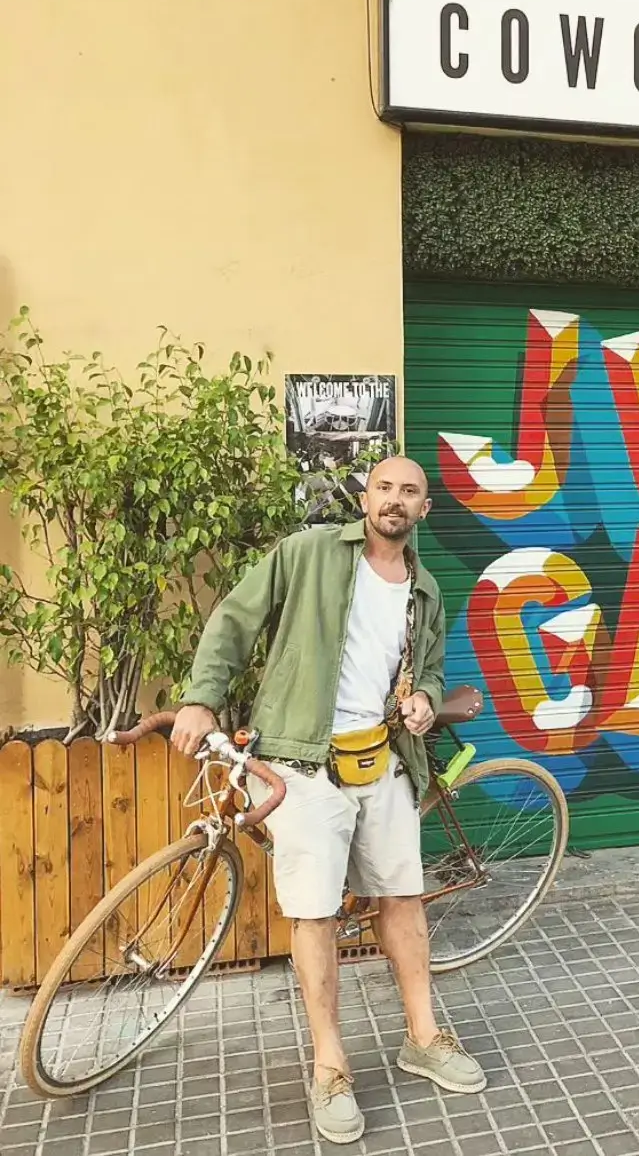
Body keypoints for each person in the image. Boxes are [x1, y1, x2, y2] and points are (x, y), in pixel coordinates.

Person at [171, 456, 484, 1146]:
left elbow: (429, 668)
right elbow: (235, 619)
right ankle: (331, 1068)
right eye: (384, 487)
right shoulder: (308, 553)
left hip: (382, 759)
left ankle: (423, 1037)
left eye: (409, 491)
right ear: (365, 497)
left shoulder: (425, 589)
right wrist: (201, 697)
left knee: (402, 898)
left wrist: (425, 697)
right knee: (314, 913)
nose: (394, 499)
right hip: (301, 759)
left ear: (424, 509)